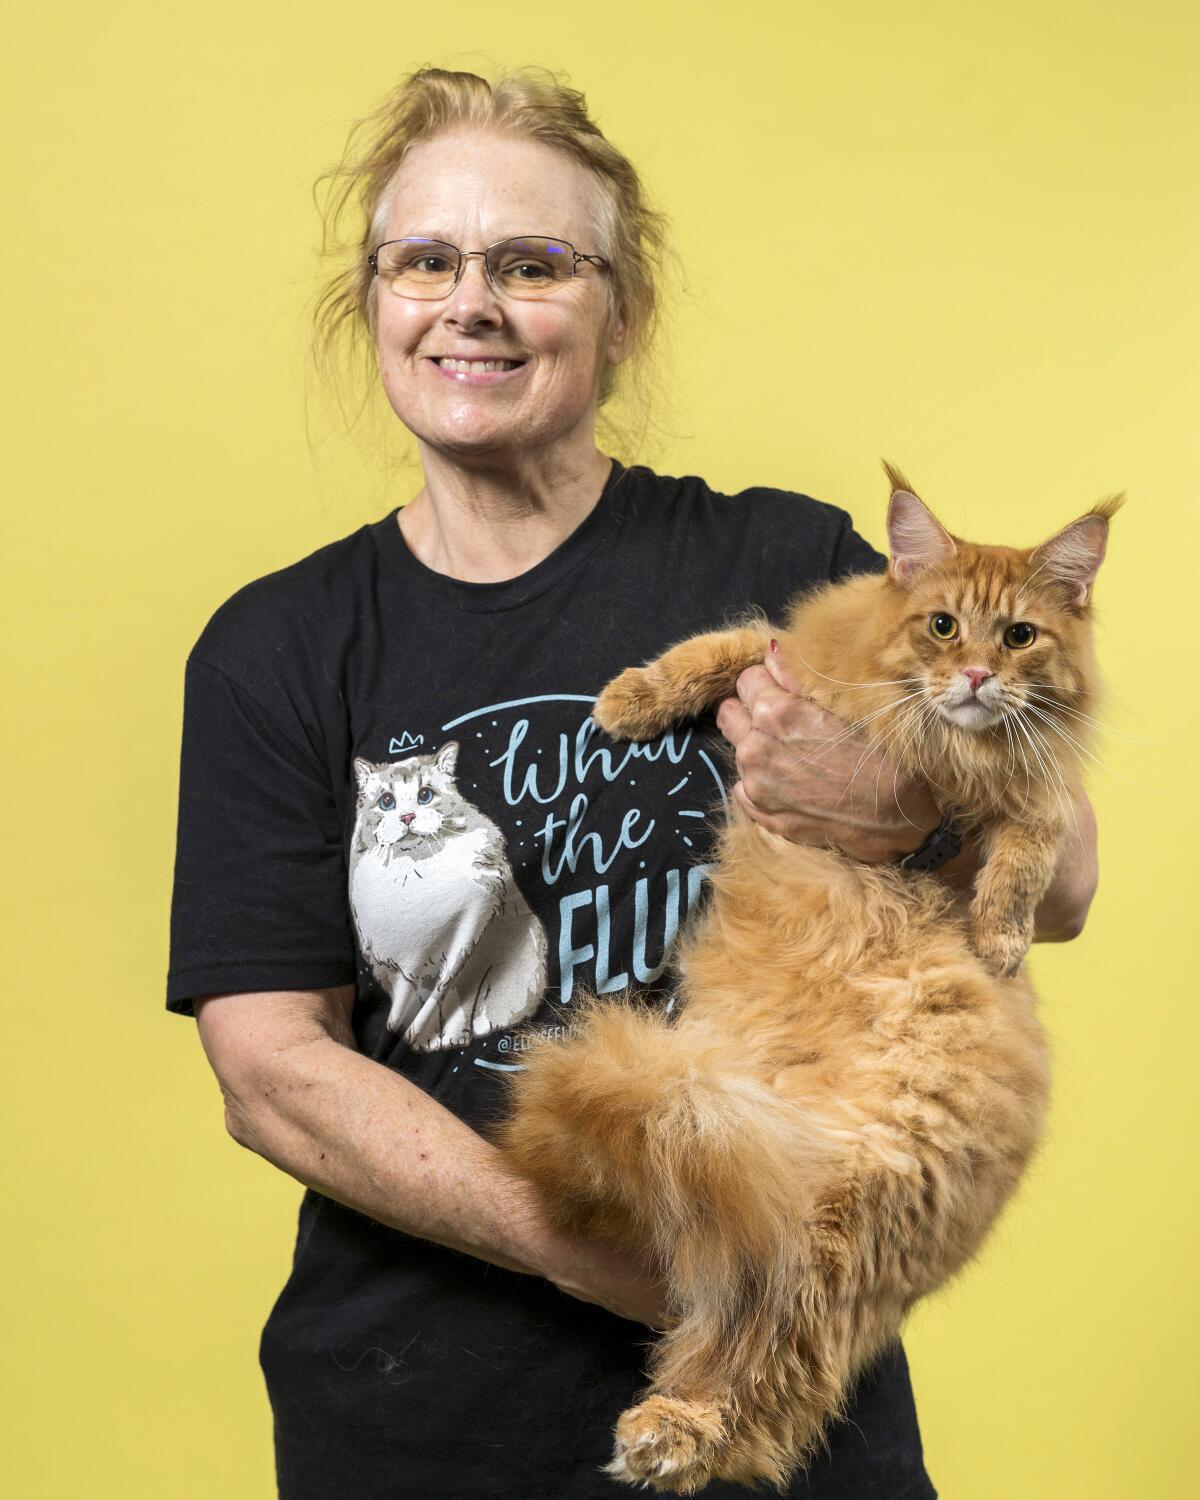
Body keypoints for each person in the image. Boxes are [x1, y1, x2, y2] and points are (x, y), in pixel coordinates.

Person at [166, 66, 1098, 1500]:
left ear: (620, 314)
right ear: (374, 303)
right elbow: (273, 1075)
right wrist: (645, 1272)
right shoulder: (276, 647)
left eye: (532, 263)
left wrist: (903, 804)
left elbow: (1069, 884)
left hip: (791, 1409)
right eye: (425, 260)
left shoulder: (778, 554)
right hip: (421, 1420)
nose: (468, 302)